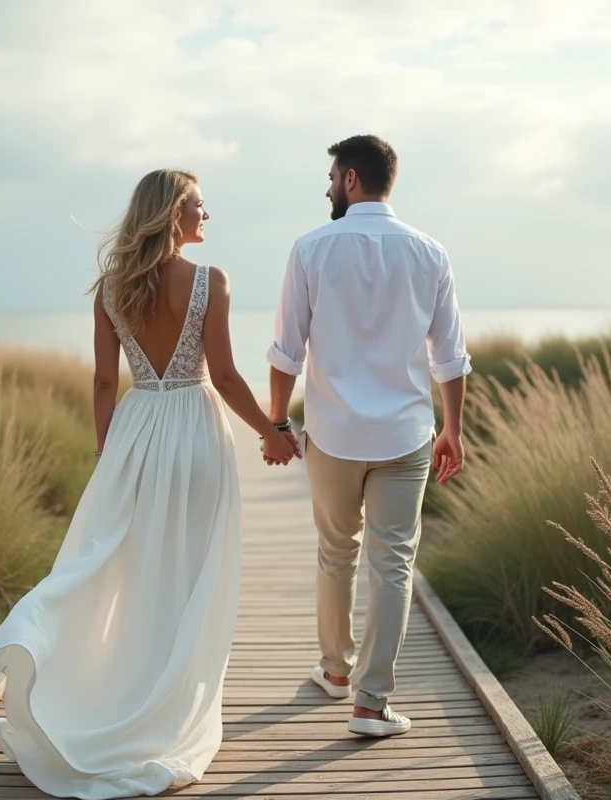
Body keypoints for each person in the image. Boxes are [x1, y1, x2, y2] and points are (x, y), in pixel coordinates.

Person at [0, 169, 298, 799]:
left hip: (137, 430)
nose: (206, 214)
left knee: (135, 570)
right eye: (198, 205)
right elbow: (226, 375)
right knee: (190, 576)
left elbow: (102, 381)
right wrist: (273, 431)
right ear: (173, 212)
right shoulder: (211, 280)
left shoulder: (111, 289)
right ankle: (164, 710)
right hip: (197, 431)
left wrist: (105, 453)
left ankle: (98, 682)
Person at [265, 134, 472, 737]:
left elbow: (286, 352)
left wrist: (278, 422)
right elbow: (449, 357)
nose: (328, 188)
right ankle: (371, 703)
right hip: (405, 434)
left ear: (350, 179)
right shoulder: (430, 252)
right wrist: (454, 430)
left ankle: (336, 671)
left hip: (332, 433)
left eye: (332, 177)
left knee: (336, 552)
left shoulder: (310, 248)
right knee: (393, 564)